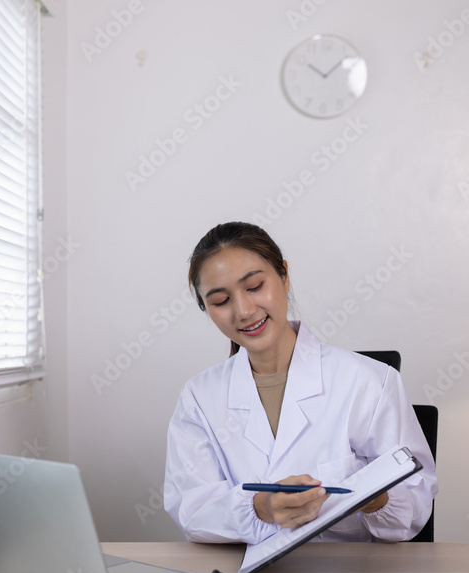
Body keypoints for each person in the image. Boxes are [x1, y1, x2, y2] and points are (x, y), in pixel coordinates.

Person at [164, 222, 437, 544]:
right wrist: (260, 508)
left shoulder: (368, 380)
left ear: (284, 276)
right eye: (221, 301)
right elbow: (192, 512)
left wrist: (372, 497)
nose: (244, 311)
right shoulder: (199, 398)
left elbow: (416, 504)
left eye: (254, 286)